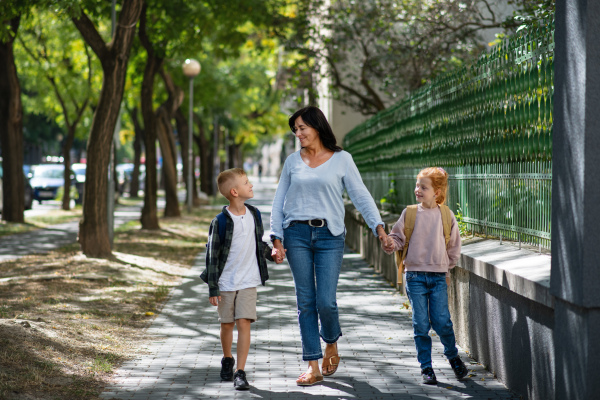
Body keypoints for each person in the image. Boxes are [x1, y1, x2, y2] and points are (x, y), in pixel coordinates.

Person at [270, 106, 390, 386]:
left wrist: (380, 230)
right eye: (295, 130)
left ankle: (331, 340)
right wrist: (276, 238)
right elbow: (278, 202)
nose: (298, 133)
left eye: (302, 128)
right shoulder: (292, 162)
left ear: (317, 126)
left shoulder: (342, 159)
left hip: (330, 235)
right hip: (295, 234)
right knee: (306, 301)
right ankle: (313, 365)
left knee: (326, 301)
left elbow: (361, 196)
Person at [381, 167, 469, 385]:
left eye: (423, 186)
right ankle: (426, 368)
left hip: (438, 277)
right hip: (414, 276)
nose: (417, 189)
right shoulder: (409, 213)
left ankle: (453, 356)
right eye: (417, 185)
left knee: (442, 322)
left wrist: (445, 267)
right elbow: (397, 238)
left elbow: (454, 246)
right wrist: (391, 243)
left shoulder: (446, 215)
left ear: (437, 192)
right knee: (421, 324)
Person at [200, 168, 279, 391]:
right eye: (246, 182)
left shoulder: (254, 214)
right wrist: (213, 288)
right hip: (226, 282)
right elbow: (212, 256)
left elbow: (257, 244)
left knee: (244, 322)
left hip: (248, 280)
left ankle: (240, 372)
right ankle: (227, 359)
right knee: (227, 324)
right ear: (234, 192)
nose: (251, 185)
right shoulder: (220, 222)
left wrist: (271, 254)